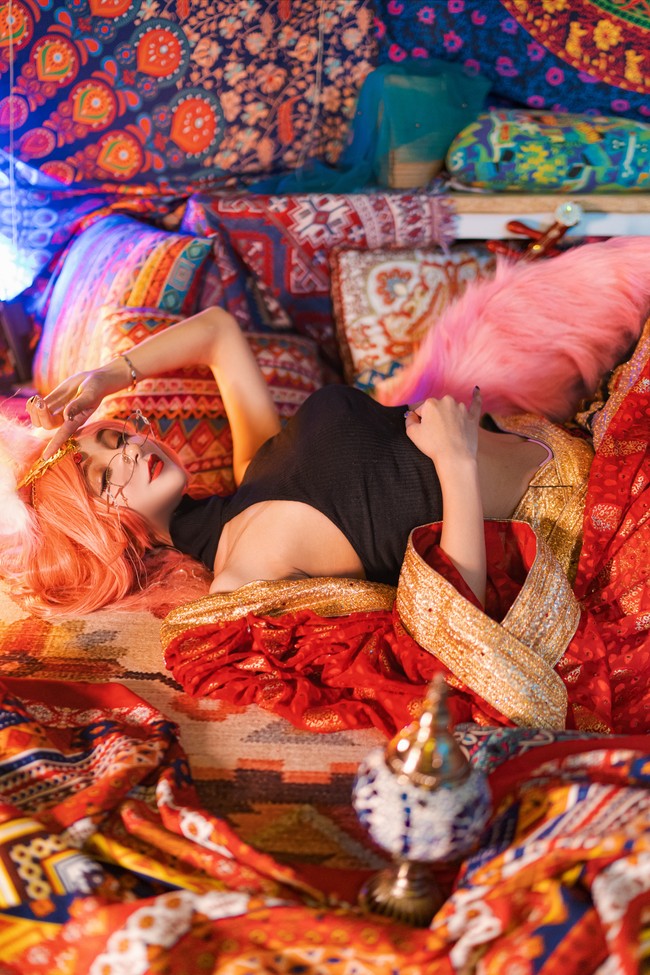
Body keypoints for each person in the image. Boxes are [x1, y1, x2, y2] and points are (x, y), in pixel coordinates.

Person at [3, 304, 590, 622]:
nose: (130, 451)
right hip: (584, 506)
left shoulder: (255, 472)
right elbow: (457, 627)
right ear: (107, 536)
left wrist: (106, 376)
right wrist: (455, 461)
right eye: (105, 478)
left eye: (113, 438)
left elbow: (218, 332)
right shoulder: (242, 576)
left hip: (560, 434)